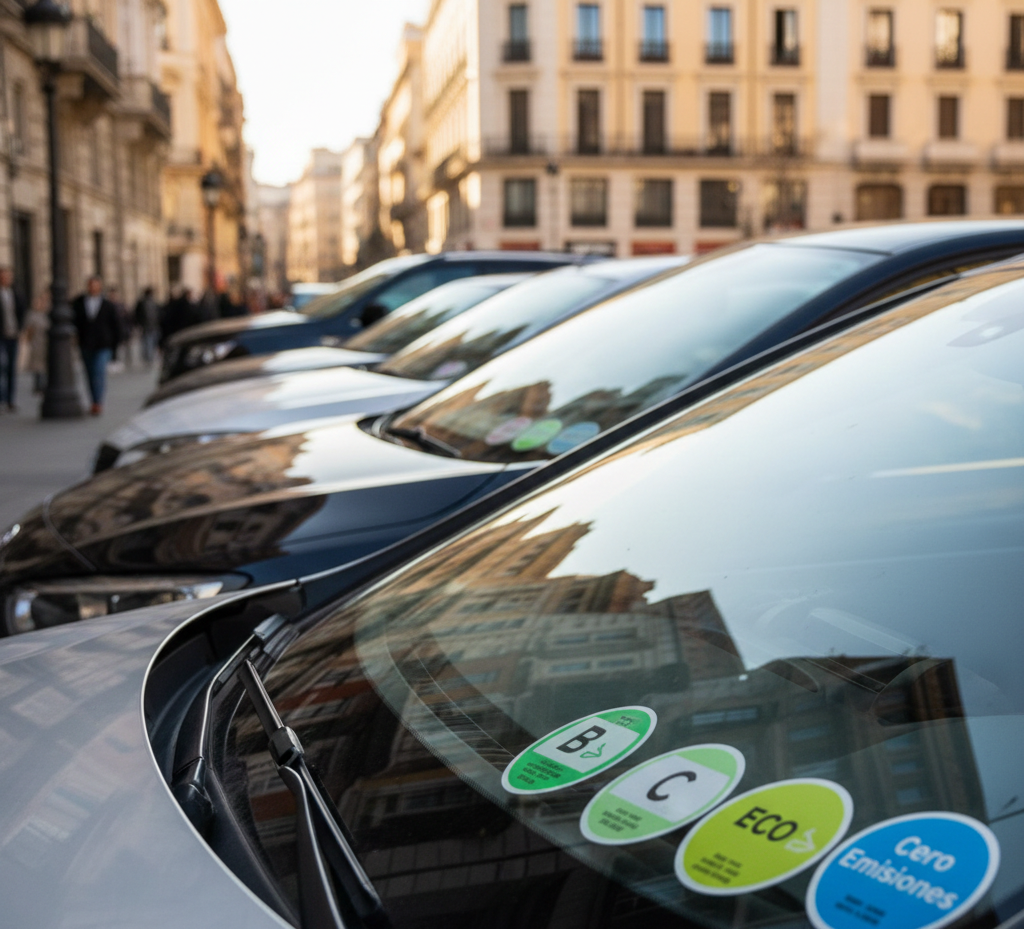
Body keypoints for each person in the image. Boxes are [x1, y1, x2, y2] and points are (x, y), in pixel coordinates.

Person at [72, 276, 120, 415]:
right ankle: (93, 400)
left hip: (103, 344)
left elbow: (115, 326)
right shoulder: (79, 302)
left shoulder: (108, 304)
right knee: (89, 373)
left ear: (100, 287)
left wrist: (114, 347)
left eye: (95, 285)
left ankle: (98, 402)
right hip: (86, 344)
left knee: (98, 372)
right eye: (90, 285)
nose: (93, 287)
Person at [0, 267, 27, 413]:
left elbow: (22, 311)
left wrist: (21, 329)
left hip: (13, 335)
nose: (6, 278)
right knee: (1, 364)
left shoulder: (16, 293)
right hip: (1, 336)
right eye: (3, 276)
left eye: (8, 276)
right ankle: (2, 396)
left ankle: (10, 399)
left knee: (11, 368)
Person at [22, 291, 50, 395]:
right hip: (37, 342)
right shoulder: (32, 314)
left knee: (45, 364)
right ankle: (38, 385)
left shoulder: (47, 313)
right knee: (37, 365)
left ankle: (43, 384)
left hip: (46, 342)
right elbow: (29, 330)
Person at [134, 286, 160, 366]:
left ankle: (149, 357)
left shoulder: (147, 302)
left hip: (149, 326)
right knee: (149, 342)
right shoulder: (150, 302)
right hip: (150, 326)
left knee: (148, 342)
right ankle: (149, 358)